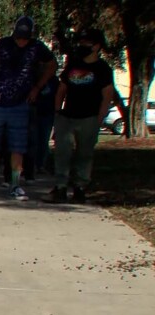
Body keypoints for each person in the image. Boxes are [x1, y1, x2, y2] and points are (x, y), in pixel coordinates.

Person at [0, 16, 57, 201]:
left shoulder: (36, 47)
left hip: (21, 104)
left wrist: (37, 87)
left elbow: (52, 65)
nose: (21, 41)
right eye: (19, 37)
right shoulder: (2, 44)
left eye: (25, 38)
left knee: (18, 147)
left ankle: (15, 185)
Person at [42, 28, 115, 204]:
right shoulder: (73, 64)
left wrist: (99, 118)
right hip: (67, 117)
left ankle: (80, 188)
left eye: (87, 43)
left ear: (97, 46)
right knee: (62, 152)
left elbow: (107, 95)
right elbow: (62, 88)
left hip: (89, 117)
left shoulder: (103, 69)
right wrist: (57, 111)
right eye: (81, 42)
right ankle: (60, 187)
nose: (82, 46)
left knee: (85, 154)